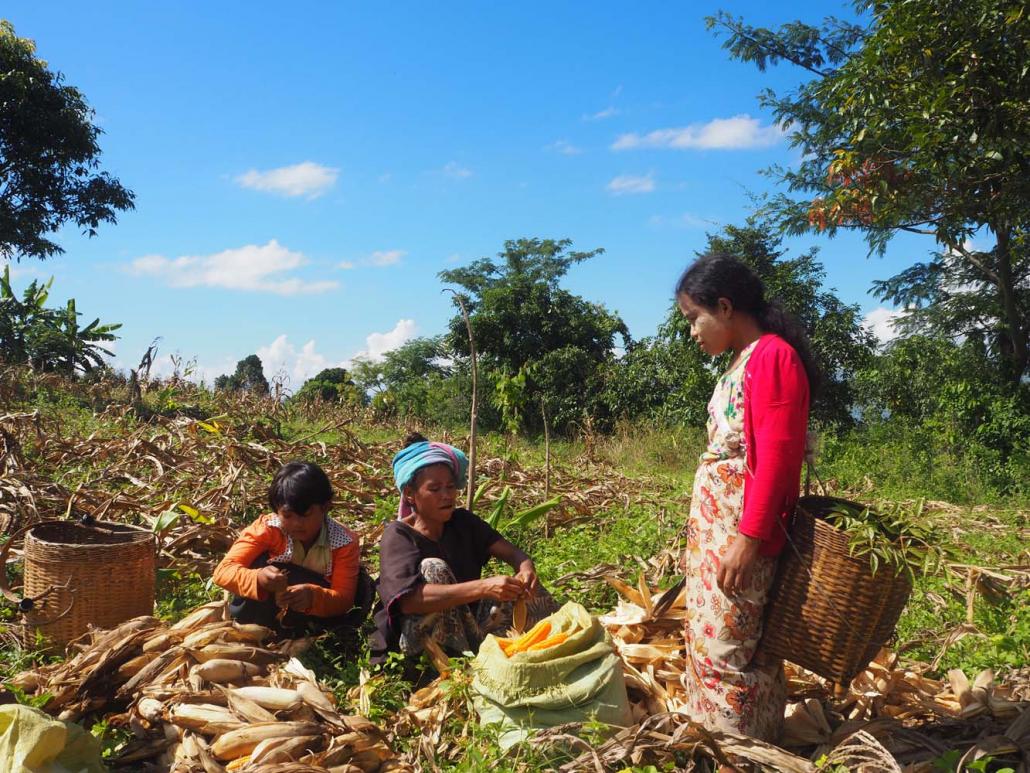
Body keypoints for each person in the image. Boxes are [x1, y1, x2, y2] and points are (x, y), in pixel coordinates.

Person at [675, 254, 815, 746]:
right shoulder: (743, 360)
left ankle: (736, 752)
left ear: (726, 306)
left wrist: (748, 537)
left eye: (695, 319)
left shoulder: (773, 356)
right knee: (720, 642)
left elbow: (778, 455)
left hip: (739, 534)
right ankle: (736, 743)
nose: (692, 332)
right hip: (720, 533)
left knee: (727, 650)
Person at [370, 433, 557, 666]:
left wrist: (526, 569)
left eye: (450, 486)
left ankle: (547, 642)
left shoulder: (463, 522)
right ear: (410, 494)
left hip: (471, 626)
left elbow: (513, 554)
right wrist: (483, 587)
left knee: (522, 589)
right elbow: (408, 601)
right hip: (424, 643)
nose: (447, 495)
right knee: (433, 568)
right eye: (435, 489)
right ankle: (456, 664)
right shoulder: (398, 536)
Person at [213, 461, 371, 637]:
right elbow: (223, 572)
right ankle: (254, 629)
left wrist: (313, 596)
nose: (297, 524)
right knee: (256, 563)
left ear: (325, 508)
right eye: (287, 516)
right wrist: (257, 578)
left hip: (311, 617)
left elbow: (343, 599)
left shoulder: (343, 543)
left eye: (305, 515)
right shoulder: (267, 529)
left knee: (362, 587)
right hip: (266, 608)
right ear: (277, 511)